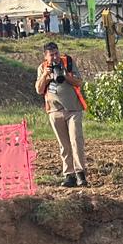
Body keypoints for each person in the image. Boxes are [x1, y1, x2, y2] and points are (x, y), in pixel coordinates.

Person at [36, 40, 88, 187]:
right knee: (64, 145)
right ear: (45, 56)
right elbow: (39, 90)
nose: (55, 57)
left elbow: (79, 82)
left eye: (56, 53)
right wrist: (45, 76)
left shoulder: (68, 62)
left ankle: (80, 174)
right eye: (51, 55)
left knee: (76, 141)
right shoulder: (42, 68)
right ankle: (69, 175)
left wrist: (66, 76)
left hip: (73, 109)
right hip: (54, 111)